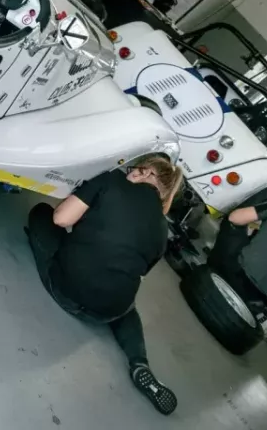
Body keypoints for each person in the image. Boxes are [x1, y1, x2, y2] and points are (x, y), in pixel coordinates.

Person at [25, 157, 184, 415]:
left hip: (67, 289)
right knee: (127, 309)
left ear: (146, 172)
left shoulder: (110, 180)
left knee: (41, 214)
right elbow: (139, 272)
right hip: (107, 310)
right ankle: (139, 362)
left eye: (133, 170)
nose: (129, 173)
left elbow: (61, 219)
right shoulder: (162, 229)